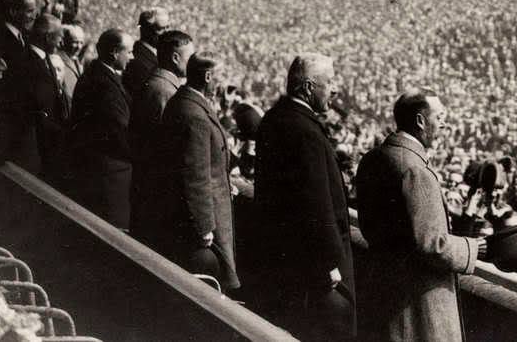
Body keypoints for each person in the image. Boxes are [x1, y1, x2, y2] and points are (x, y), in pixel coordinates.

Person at [354, 87, 486, 342]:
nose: (445, 124)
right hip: (416, 307)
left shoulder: (373, 158)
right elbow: (433, 244)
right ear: (420, 121)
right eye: (440, 117)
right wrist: (472, 247)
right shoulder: (415, 170)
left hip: (384, 294)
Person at [255, 53, 355, 340]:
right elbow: (315, 203)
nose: (334, 90)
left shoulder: (275, 117)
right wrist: (329, 262)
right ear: (309, 87)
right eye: (330, 82)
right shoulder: (304, 131)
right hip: (313, 265)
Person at [156, 53, 239, 291]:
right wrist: (204, 226)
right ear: (208, 76)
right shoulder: (194, 114)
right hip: (204, 219)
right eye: (221, 77)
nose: (223, 85)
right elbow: (195, 175)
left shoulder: (185, 102)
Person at [129, 30, 194, 241]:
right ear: (175, 57)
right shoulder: (165, 91)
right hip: (158, 190)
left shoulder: (158, 83)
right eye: (189, 57)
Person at [69, 29, 135, 230]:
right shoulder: (103, 83)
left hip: (104, 171)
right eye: (129, 52)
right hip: (107, 175)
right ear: (115, 52)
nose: (132, 57)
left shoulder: (101, 75)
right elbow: (119, 130)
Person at [0, 0, 38, 169]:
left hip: (15, 123)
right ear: (13, 12)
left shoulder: (23, 38)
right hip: (0, 122)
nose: (34, 16)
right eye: (29, 11)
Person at [24, 14, 69, 181]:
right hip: (33, 143)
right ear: (48, 37)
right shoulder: (28, 59)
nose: (61, 43)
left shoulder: (46, 59)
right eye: (59, 38)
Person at [123, 7, 169, 102]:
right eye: (160, 29)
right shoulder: (136, 59)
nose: (167, 33)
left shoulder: (161, 54)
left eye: (167, 27)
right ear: (145, 30)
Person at [57, 24, 87, 102]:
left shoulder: (78, 62)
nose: (79, 47)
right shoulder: (58, 60)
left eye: (81, 43)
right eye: (75, 42)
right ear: (64, 41)